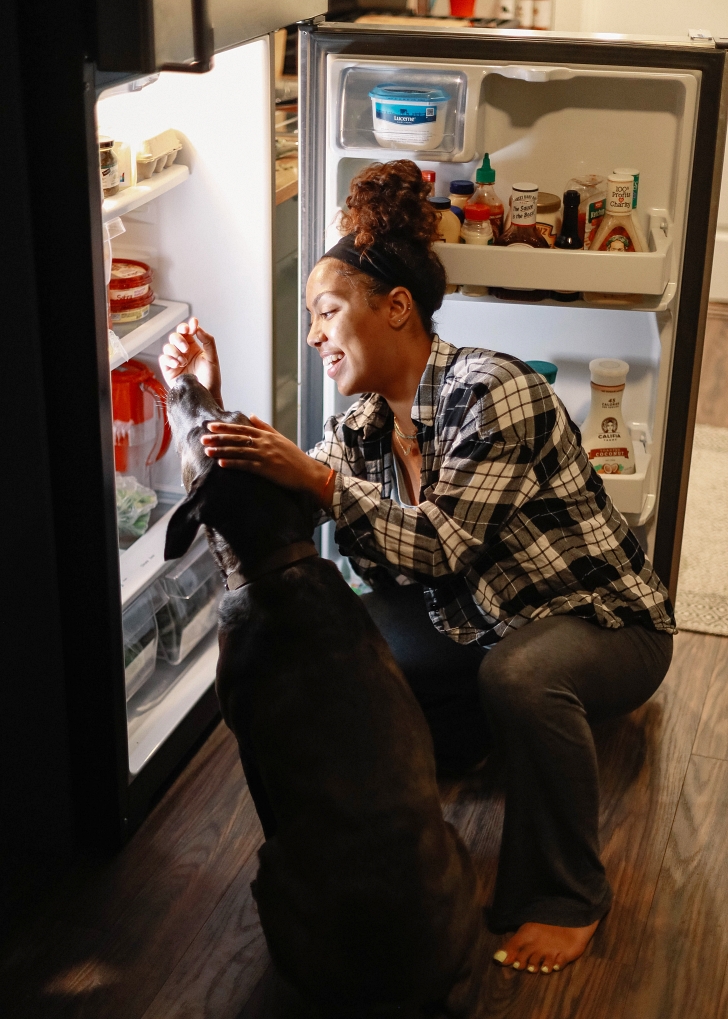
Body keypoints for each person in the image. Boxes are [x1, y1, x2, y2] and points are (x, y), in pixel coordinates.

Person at [159, 160, 675, 978]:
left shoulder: (492, 390)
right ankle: (466, 737)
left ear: (396, 308)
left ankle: (567, 895)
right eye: (311, 319)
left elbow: (439, 546)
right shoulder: (363, 423)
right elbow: (285, 496)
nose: (315, 335)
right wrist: (209, 397)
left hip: (601, 625)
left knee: (523, 675)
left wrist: (323, 481)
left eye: (327, 312)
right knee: (361, 638)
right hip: (478, 623)